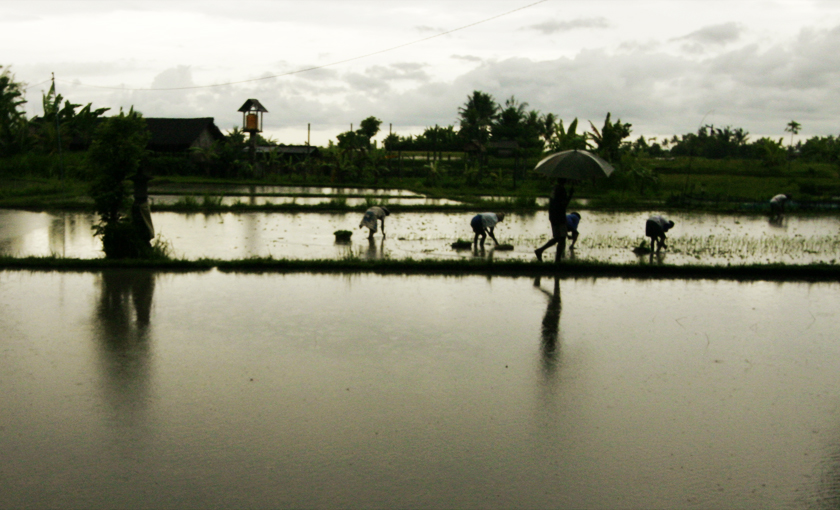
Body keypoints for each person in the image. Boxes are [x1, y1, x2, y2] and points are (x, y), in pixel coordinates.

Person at [534, 179, 575, 261]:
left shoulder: (554, 189)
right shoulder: (561, 190)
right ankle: (557, 261)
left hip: (553, 216)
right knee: (562, 239)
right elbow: (564, 204)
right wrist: (570, 195)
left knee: (557, 238)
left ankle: (540, 251)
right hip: (560, 217)